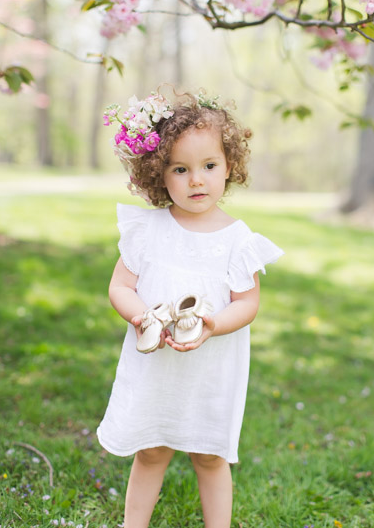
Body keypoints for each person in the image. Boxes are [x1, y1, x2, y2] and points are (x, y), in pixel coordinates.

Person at [97, 89, 283, 528]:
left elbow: (248, 303)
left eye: (208, 166)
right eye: (180, 169)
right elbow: (120, 286)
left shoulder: (237, 239)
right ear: (158, 174)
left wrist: (213, 323)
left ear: (229, 167)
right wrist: (141, 315)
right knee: (151, 450)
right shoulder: (148, 230)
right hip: (156, 365)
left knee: (210, 455)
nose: (196, 180)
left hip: (211, 368)